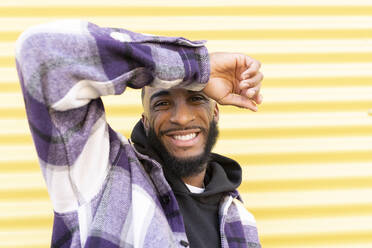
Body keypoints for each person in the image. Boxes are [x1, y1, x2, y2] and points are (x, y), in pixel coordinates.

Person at [15, 20, 263, 248]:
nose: (182, 117)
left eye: (196, 99)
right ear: (145, 121)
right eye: (162, 104)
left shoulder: (239, 218)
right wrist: (195, 66)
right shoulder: (105, 175)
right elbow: (39, 52)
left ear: (215, 113)